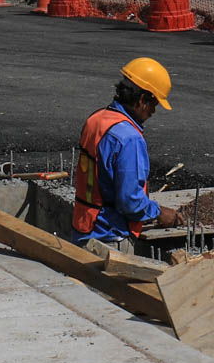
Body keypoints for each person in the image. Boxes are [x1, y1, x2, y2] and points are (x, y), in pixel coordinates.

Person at [70, 57, 182, 245]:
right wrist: (159, 213)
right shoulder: (129, 138)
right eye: (154, 104)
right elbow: (130, 201)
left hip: (84, 229)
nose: (153, 111)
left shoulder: (97, 119)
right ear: (142, 99)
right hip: (109, 237)